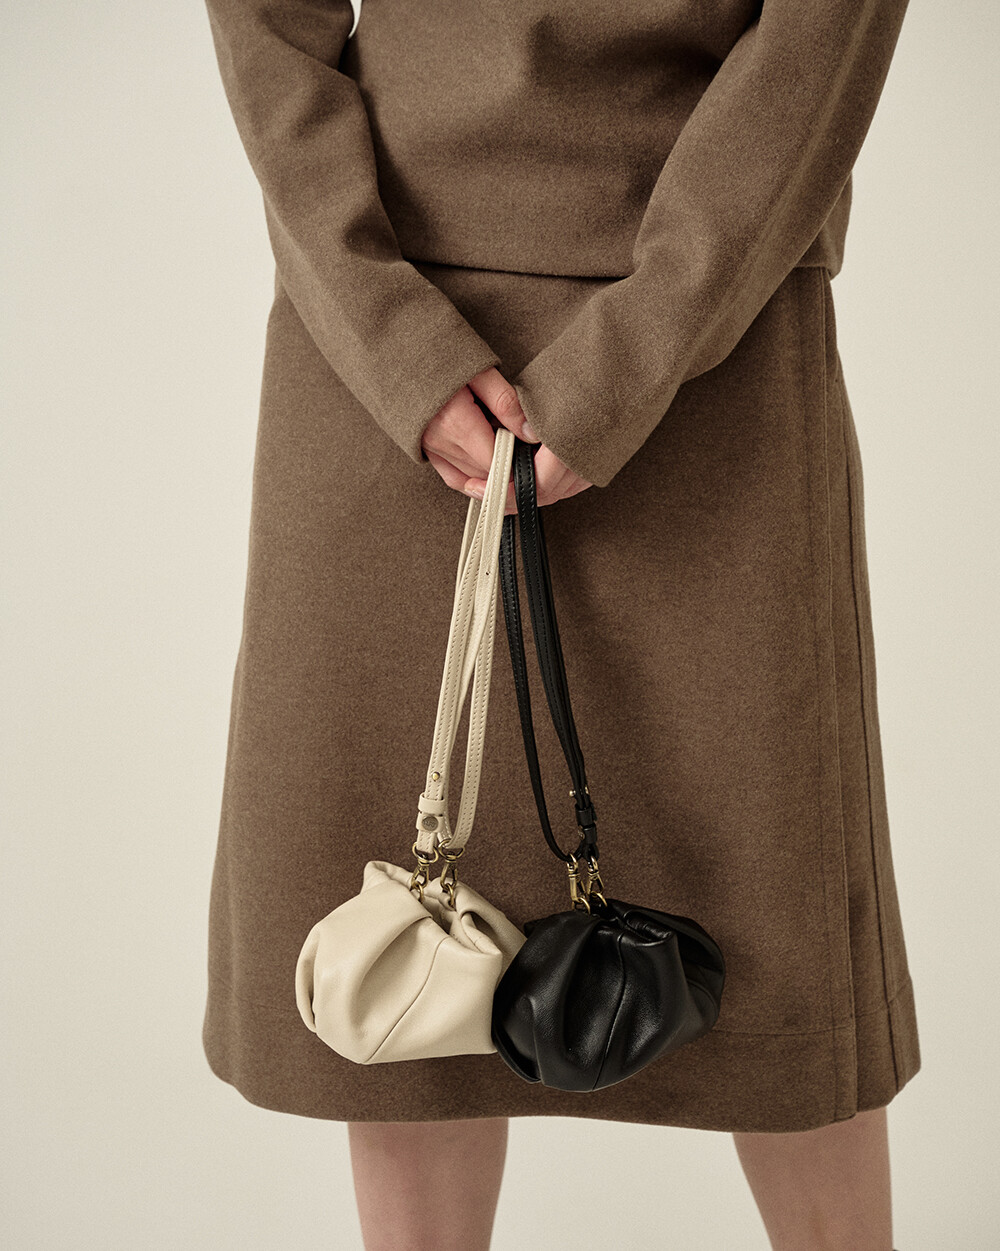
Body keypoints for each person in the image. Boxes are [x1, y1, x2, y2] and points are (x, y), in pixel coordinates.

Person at [199, 1, 920, 1246]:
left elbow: (820, 39)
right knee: (402, 965)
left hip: (712, 330)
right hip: (386, 341)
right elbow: (268, 27)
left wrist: (631, 356)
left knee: (780, 962)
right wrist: (391, 338)